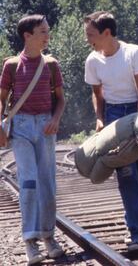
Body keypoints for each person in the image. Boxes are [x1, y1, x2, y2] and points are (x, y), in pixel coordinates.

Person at [83, 11, 138, 251]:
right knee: (126, 174)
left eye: (90, 34)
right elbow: (97, 93)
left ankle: (135, 221)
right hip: (113, 115)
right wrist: (100, 118)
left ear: (106, 33)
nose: (87, 39)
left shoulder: (134, 53)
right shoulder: (92, 60)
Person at [0, 14, 65, 264]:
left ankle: (48, 236)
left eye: (48, 31)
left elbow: (61, 99)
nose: (47, 36)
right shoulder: (12, 65)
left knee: (47, 184)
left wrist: (56, 119)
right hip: (22, 127)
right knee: (28, 182)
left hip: (46, 126)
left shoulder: (51, 64)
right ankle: (30, 241)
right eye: (43, 32)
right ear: (28, 36)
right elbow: (2, 99)